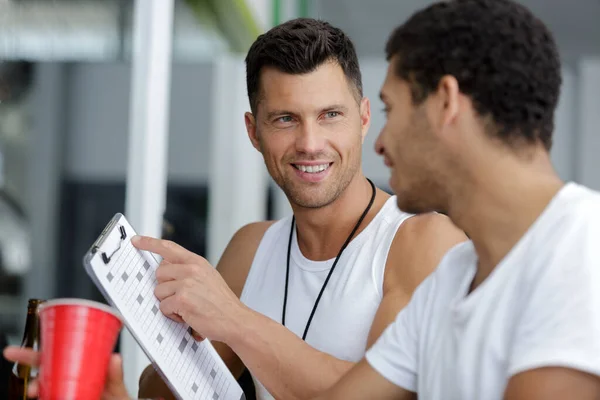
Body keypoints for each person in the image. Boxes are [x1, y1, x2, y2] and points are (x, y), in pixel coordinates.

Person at [3, 18, 466, 400]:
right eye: (285, 119)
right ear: (254, 131)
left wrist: (233, 318)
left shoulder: (421, 242)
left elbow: (385, 396)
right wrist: (109, 390)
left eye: (330, 115)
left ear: (364, 118)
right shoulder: (253, 248)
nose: (309, 143)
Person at [311, 1, 600, 399]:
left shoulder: (584, 252)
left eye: (389, 109)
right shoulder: (451, 279)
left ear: (446, 101)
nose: (378, 142)